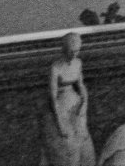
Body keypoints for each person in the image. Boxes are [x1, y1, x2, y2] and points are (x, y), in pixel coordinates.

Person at [40, 31, 95, 166]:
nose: (74, 54)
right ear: (65, 49)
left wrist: (84, 103)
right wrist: (60, 122)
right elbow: (53, 96)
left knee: (83, 138)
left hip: (75, 102)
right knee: (67, 145)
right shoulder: (55, 67)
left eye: (77, 51)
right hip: (60, 106)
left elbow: (81, 85)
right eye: (71, 51)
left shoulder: (78, 63)